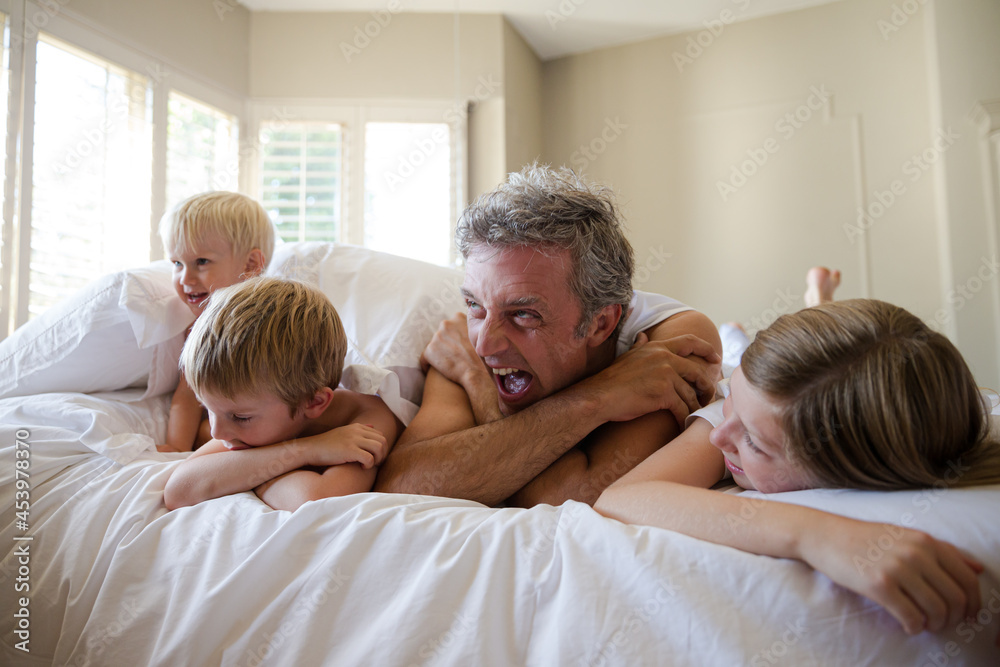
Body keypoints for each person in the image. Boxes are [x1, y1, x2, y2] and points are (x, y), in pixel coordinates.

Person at [595, 295, 1000, 637]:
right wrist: (813, 534)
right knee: (733, 356)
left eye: (754, 443)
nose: (722, 437)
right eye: (735, 401)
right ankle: (794, 311)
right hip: (743, 375)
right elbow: (622, 497)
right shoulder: (730, 419)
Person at [374, 164, 724, 507]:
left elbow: (570, 497)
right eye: (474, 304)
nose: (484, 344)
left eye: (523, 314)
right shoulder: (464, 348)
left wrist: (481, 401)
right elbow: (403, 485)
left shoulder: (673, 341)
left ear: (600, 324)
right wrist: (600, 397)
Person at [163, 277, 402, 512]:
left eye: (240, 417)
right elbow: (179, 490)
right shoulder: (253, 418)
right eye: (208, 409)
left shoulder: (367, 420)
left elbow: (314, 499)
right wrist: (310, 449)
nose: (218, 432)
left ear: (314, 402)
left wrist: (244, 474)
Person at [158, 191, 275, 453]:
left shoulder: (274, 317)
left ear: (251, 264)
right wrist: (176, 447)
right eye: (177, 263)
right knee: (205, 434)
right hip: (236, 428)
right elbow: (187, 397)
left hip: (281, 420)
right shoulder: (201, 328)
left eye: (201, 262)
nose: (186, 278)